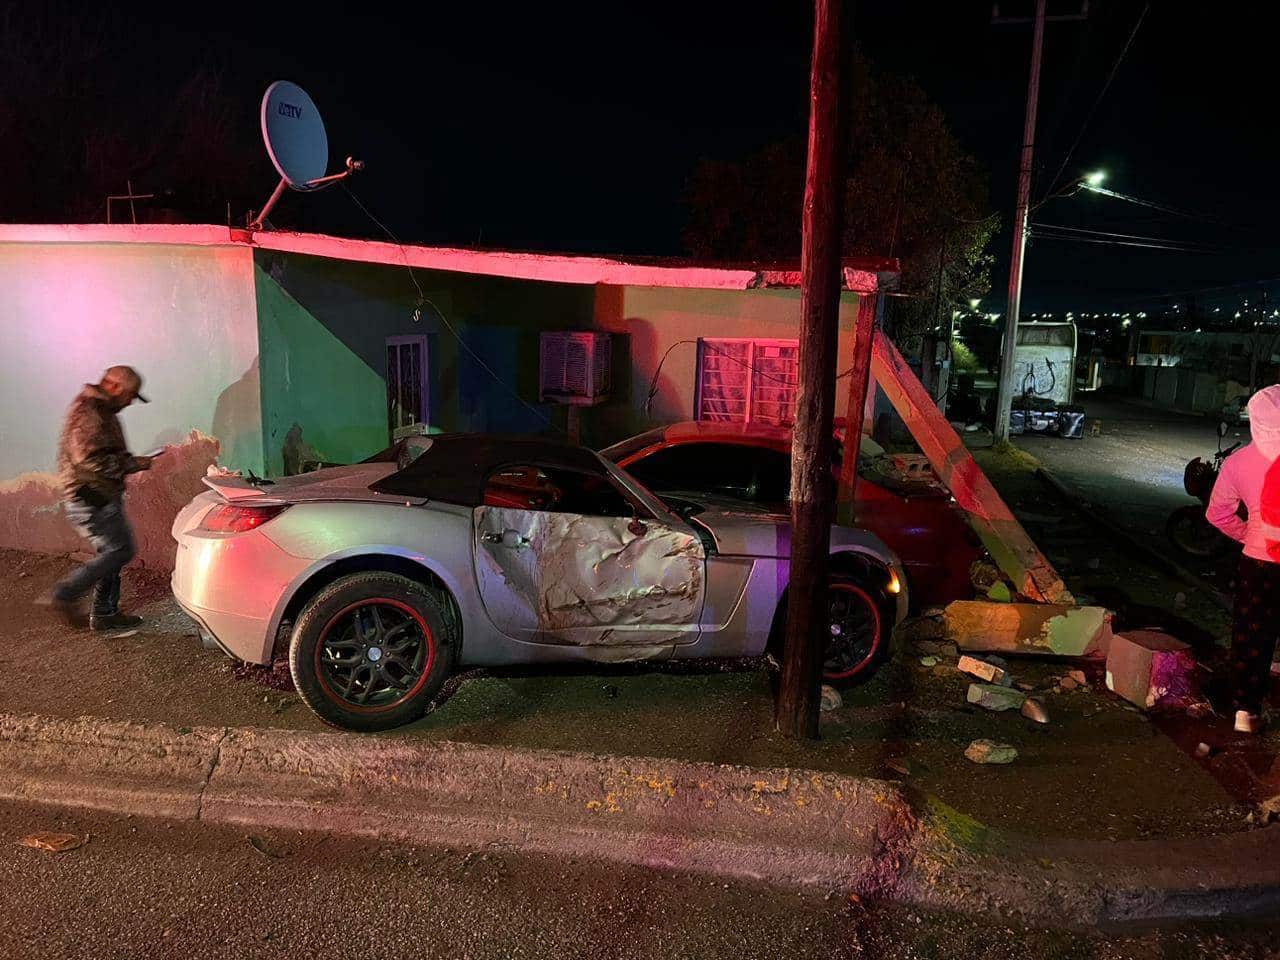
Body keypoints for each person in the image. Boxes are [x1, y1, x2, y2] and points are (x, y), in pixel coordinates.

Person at [40, 366, 155, 630]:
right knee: (120, 550)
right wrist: (131, 464)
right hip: (91, 496)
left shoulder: (101, 411)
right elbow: (90, 460)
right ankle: (66, 593)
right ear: (114, 387)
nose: (130, 402)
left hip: (98, 495)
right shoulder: (90, 412)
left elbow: (101, 453)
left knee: (111, 551)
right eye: (130, 395)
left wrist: (129, 463)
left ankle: (104, 614)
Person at [1206, 384, 1280, 734]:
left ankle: (1245, 714)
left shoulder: (1237, 462)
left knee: (1253, 639)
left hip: (1259, 564)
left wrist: (1248, 535)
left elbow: (1217, 514)